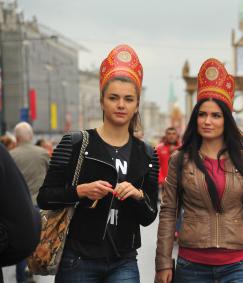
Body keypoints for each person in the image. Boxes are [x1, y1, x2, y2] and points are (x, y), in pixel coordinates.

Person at [37, 44, 159, 282]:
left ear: (136, 105)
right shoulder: (75, 143)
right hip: (77, 259)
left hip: (123, 260)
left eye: (128, 99)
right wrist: (80, 191)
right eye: (113, 98)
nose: (121, 105)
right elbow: (45, 197)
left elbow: (149, 216)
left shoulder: (146, 153)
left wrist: (136, 195)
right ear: (102, 101)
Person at [155, 58, 243, 283]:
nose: (207, 121)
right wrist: (162, 262)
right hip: (192, 265)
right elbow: (169, 212)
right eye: (202, 114)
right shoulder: (179, 160)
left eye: (215, 115)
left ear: (226, 120)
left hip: (238, 265)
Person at [10, 122, 49, 283]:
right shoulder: (42, 153)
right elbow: (53, 175)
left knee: (21, 243)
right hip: (39, 204)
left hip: (19, 206)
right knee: (39, 240)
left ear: (17, 138)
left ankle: (23, 276)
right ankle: (35, 268)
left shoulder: (11, 155)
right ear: (31, 136)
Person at [0, 144, 41, 283]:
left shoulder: (13, 153)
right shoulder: (41, 154)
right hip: (32, 202)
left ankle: (21, 277)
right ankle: (26, 273)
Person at [157, 127, 180, 192]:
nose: (171, 136)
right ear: (165, 135)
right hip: (165, 184)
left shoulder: (182, 148)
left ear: (177, 135)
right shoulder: (159, 148)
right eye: (169, 134)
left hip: (180, 184)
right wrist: (161, 180)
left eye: (173, 134)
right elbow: (157, 166)